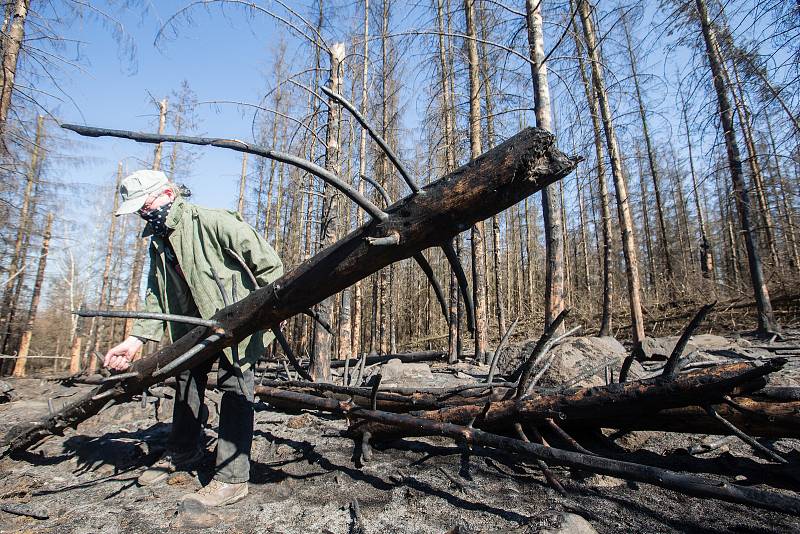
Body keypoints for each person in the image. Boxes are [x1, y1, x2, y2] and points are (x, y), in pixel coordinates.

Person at [103, 169, 283, 507]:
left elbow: (271, 266)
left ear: (168, 194)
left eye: (146, 204)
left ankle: (232, 478)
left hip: (237, 326)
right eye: (138, 209)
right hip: (192, 329)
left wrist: (259, 316)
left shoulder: (213, 221)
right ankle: (184, 451)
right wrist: (135, 340)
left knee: (235, 389)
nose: (144, 212)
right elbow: (157, 294)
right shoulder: (159, 242)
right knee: (186, 381)